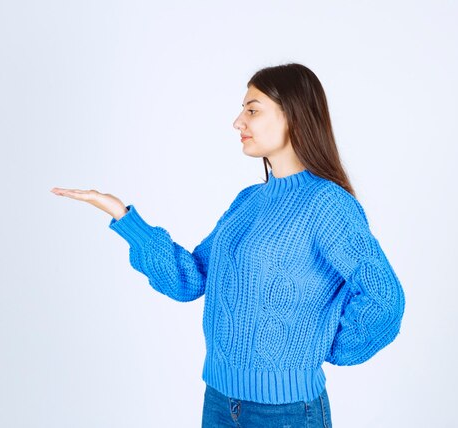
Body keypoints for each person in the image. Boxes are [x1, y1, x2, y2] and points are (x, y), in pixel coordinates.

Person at [51, 62, 405, 427]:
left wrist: (321, 349)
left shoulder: (327, 204)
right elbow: (189, 279)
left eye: (252, 110)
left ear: (294, 117)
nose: (239, 122)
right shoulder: (248, 201)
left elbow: (384, 300)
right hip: (220, 402)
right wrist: (125, 218)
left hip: (284, 412)